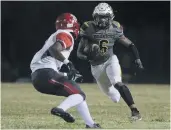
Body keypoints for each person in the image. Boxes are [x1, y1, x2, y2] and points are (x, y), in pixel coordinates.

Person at [30, 13, 101, 128]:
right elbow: (54, 50)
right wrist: (69, 64)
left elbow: (45, 63)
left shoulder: (57, 34)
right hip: (46, 74)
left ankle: (91, 124)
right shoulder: (66, 34)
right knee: (79, 94)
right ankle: (60, 109)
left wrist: (66, 74)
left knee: (77, 93)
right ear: (73, 25)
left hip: (39, 77)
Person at [77, 3, 144, 121]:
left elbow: (130, 44)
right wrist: (89, 54)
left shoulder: (115, 27)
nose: (102, 20)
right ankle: (117, 94)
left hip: (110, 60)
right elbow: (79, 53)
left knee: (118, 82)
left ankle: (135, 111)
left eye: (105, 17)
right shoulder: (88, 28)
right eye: (100, 17)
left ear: (111, 17)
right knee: (113, 96)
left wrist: (137, 58)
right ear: (95, 17)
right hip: (96, 66)